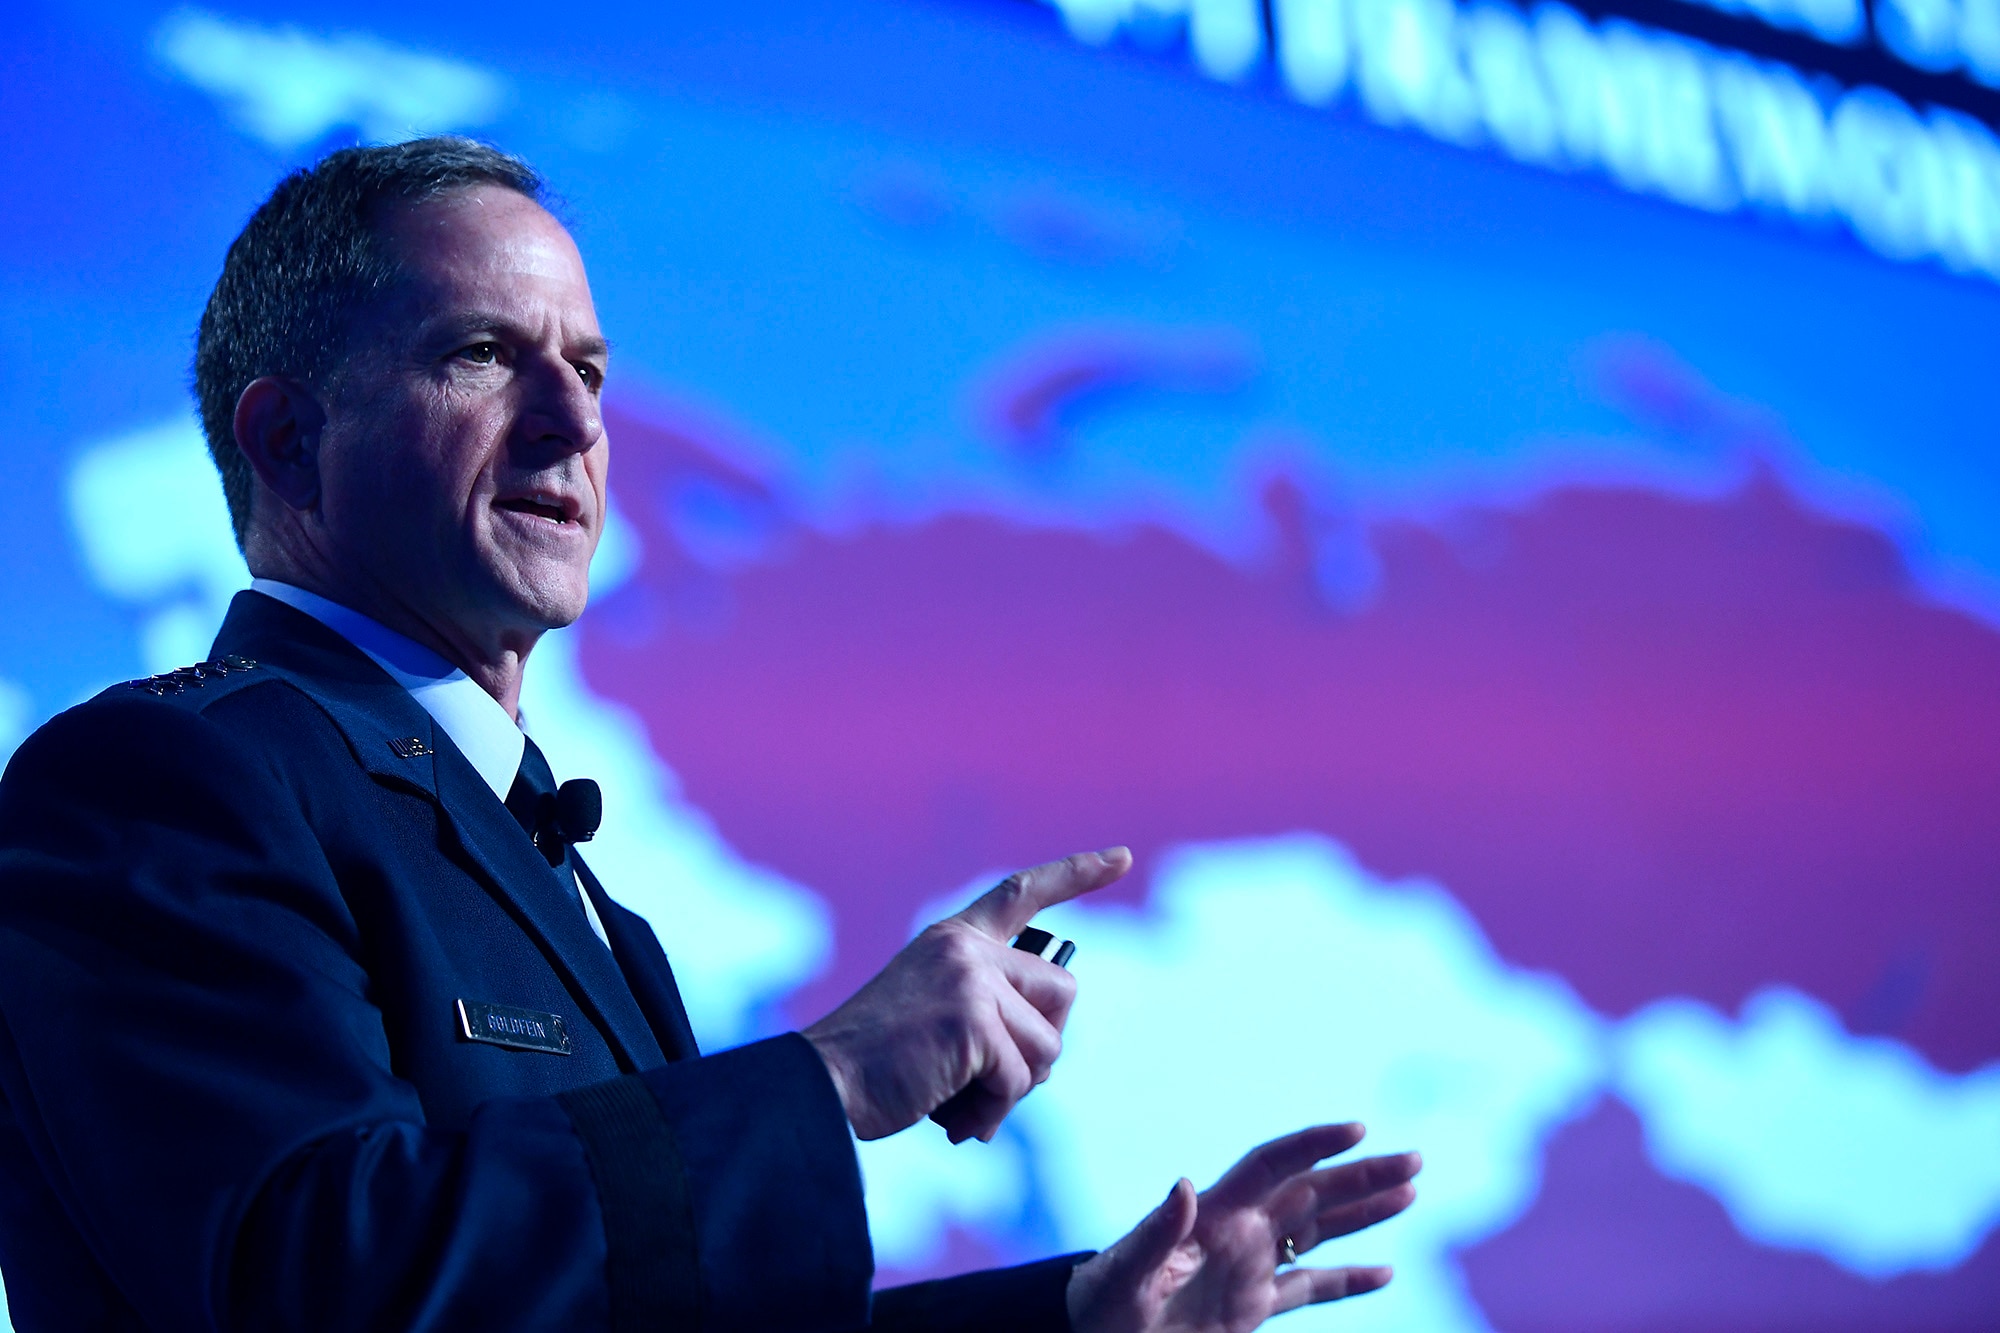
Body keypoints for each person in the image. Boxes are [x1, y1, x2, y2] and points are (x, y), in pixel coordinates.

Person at [0, 138, 1419, 1332]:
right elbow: (322, 1280)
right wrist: (835, 1076)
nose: (574, 422)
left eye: (594, 370)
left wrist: (1074, 1317)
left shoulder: (576, 889)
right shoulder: (156, 784)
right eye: (488, 354)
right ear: (286, 437)